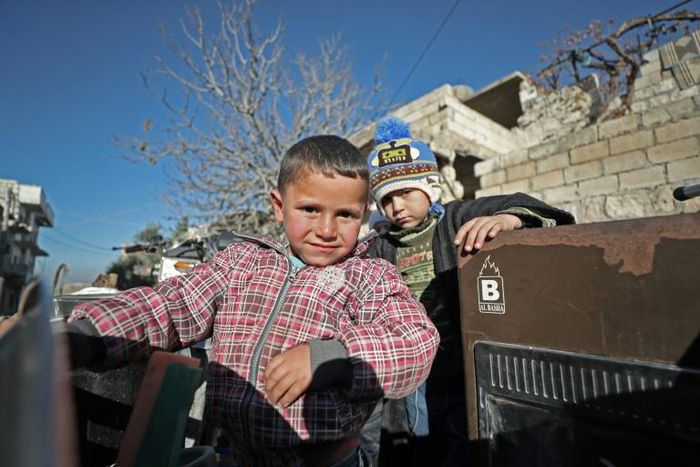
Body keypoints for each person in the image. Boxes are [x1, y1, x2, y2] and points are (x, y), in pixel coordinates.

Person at [66, 135, 440, 467]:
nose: (326, 230)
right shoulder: (240, 263)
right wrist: (86, 335)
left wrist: (333, 356)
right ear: (278, 205)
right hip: (238, 453)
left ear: (363, 216)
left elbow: (417, 340)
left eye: (345, 215)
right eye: (310, 209)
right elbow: (172, 306)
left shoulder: (369, 276)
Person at [361, 117, 575, 467]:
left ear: (429, 188)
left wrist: (507, 221)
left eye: (405, 193)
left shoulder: (455, 218)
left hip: (463, 366)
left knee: (465, 439)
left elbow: (534, 208)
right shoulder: (378, 246)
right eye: (387, 199)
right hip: (416, 372)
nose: (397, 206)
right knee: (421, 440)